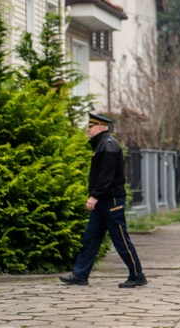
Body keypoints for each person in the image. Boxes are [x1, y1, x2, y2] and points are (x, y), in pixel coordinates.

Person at [60, 113, 148, 288]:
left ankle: (137, 275)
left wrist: (94, 196)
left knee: (121, 239)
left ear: (100, 128)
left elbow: (106, 176)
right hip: (104, 201)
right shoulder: (102, 145)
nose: (87, 130)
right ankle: (80, 275)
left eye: (90, 127)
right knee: (91, 238)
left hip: (111, 201)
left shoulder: (107, 146)